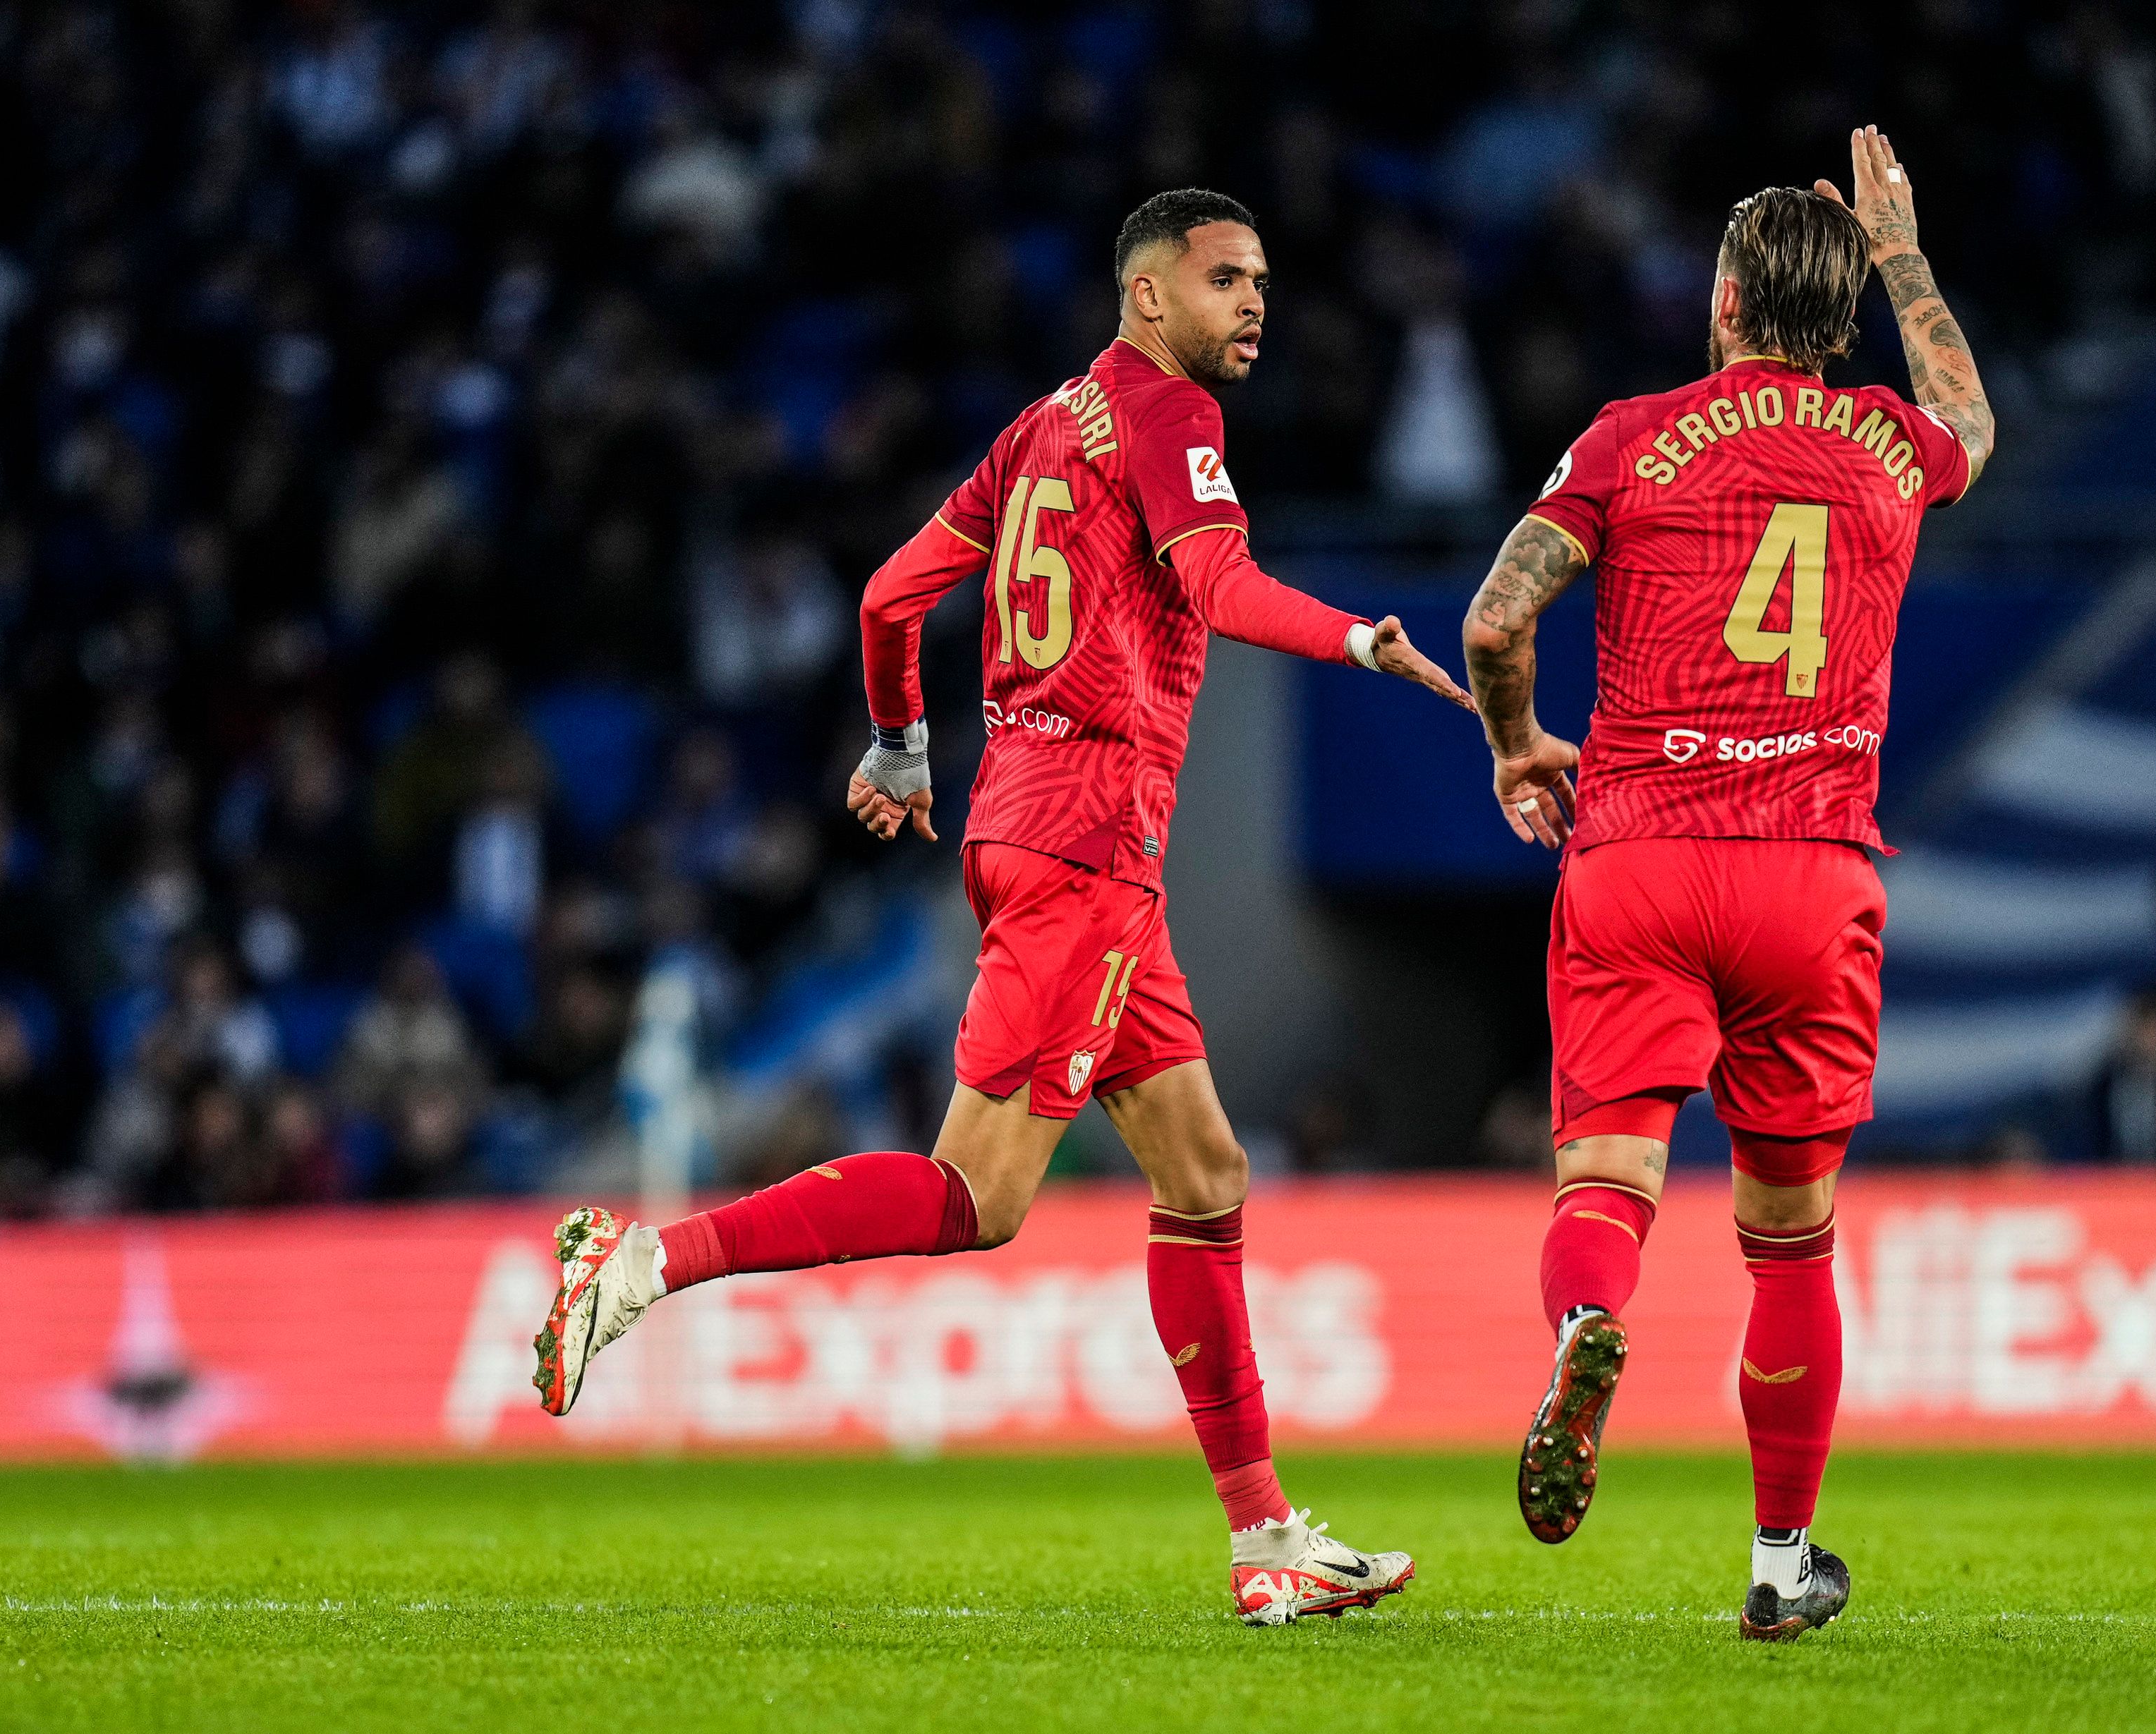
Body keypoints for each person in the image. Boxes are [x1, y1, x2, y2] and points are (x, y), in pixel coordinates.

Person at [532, 189, 1472, 1623]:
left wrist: (901, 740)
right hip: (1087, 834)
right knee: (977, 1193)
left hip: (1041, 830)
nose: (1255, 304)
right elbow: (1216, 581)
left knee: (1206, 1172)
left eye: (1265, 280)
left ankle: (1263, 1532)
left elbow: (890, 596)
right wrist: (1358, 634)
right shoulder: (1169, 419)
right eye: (1226, 280)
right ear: (1148, 297)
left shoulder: (1041, 428)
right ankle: (646, 1257)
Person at [1460, 128, 1992, 1640]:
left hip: (1638, 853)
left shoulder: (1632, 437)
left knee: (1605, 1186)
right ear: (1836, 315)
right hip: (1812, 876)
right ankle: (1777, 1565)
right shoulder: (1893, 443)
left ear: (1724, 299)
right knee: (1790, 1237)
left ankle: (1585, 1328)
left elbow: (1498, 623)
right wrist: (1902, 253)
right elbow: (1974, 416)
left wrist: (1516, 750)